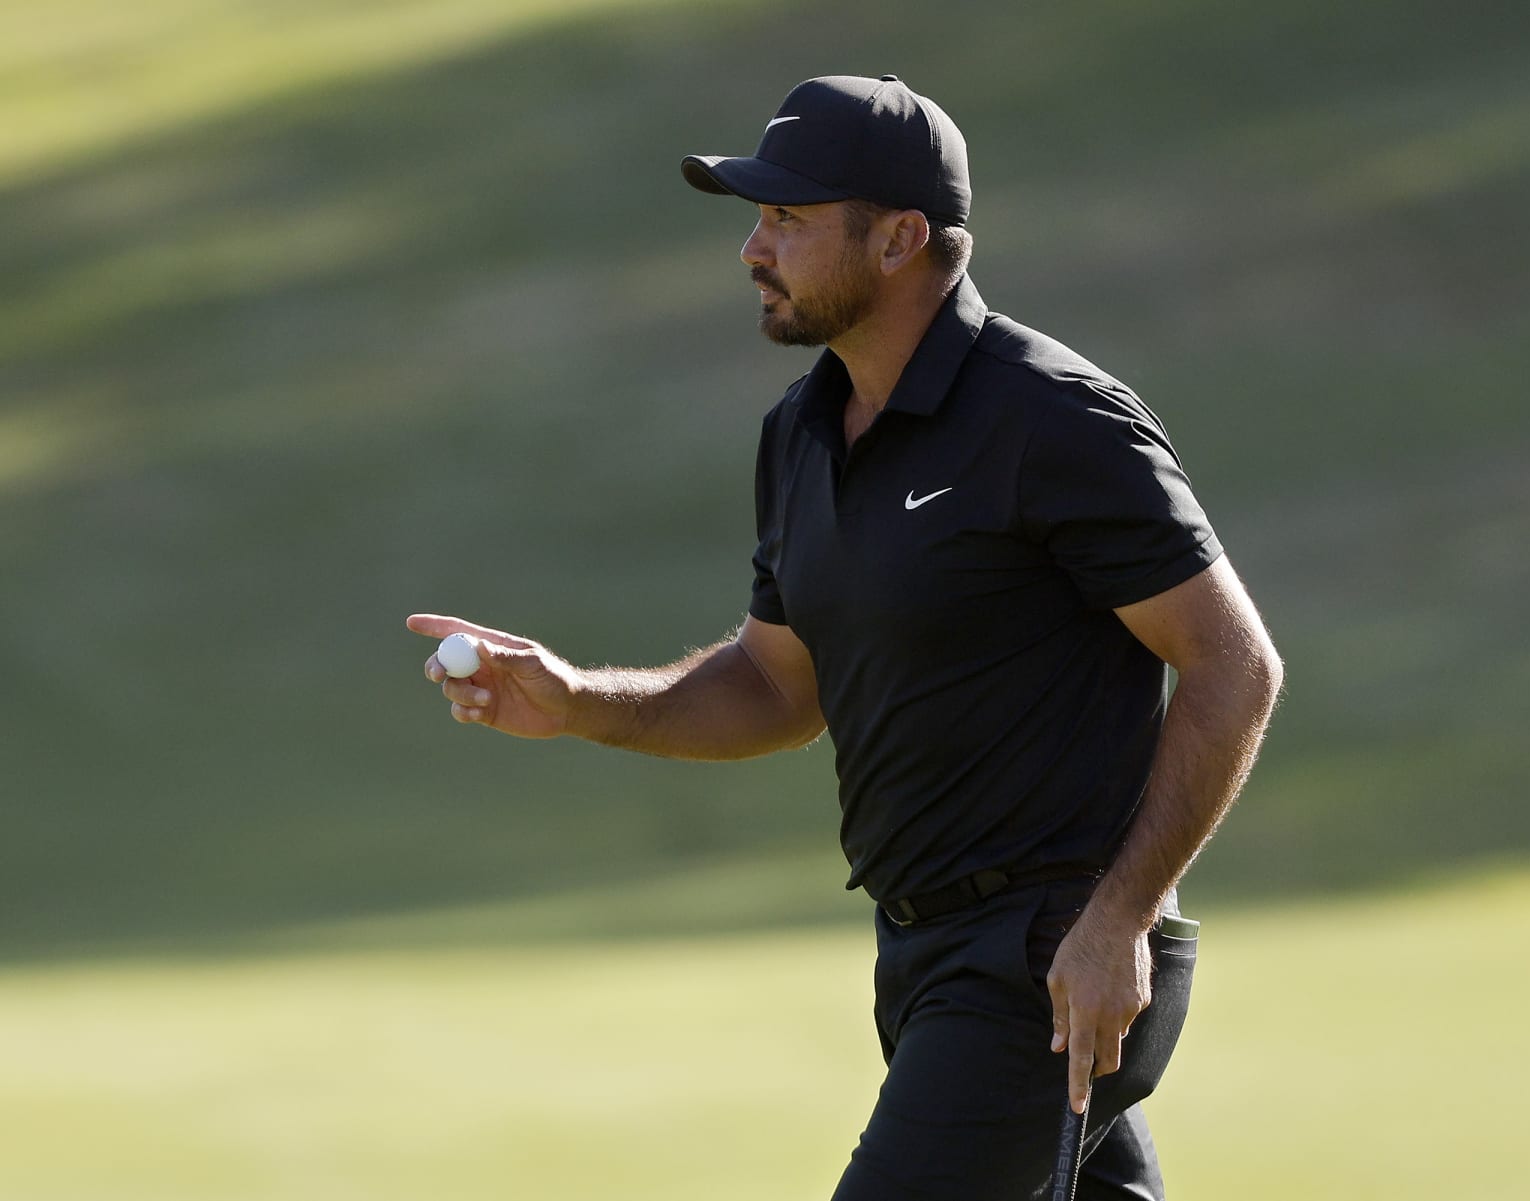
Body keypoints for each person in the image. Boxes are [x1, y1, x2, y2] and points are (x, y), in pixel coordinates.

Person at [409, 74, 1282, 1201]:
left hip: (1050, 962)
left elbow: (1233, 665)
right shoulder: (803, 433)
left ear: (901, 240)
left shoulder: (1051, 418)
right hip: (923, 954)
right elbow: (776, 686)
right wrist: (577, 698)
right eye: (756, 219)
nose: (751, 248)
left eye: (788, 219)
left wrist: (1118, 919)